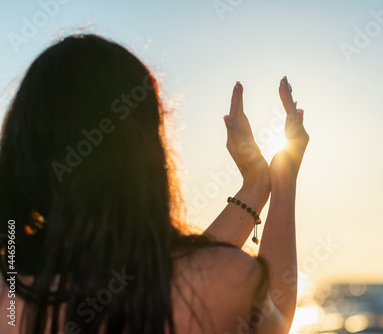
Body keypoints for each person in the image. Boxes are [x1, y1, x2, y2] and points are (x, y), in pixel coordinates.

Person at [0, 34, 309, 334]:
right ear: (143, 148)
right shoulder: (227, 282)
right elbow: (270, 316)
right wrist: (284, 183)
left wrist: (254, 188)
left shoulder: (11, 289)